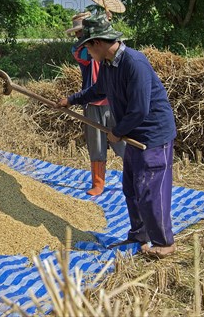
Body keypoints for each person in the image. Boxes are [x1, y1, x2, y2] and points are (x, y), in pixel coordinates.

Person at [57, 14, 177, 258]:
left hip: (152, 135)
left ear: (97, 43)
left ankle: (164, 242)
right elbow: (98, 90)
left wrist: (117, 132)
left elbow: (140, 109)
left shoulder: (135, 63)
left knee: (150, 190)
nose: (88, 54)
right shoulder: (110, 65)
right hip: (133, 133)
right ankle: (138, 236)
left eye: (87, 47)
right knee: (132, 189)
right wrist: (71, 100)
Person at [65, 11, 125, 196]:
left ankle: (137, 175)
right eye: (77, 33)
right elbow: (86, 53)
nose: (79, 35)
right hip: (93, 103)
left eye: (82, 31)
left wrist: (106, 29)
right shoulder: (81, 50)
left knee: (122, 142)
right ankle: (98, 183)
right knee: (96, 144)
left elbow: (116, 47)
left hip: (114, 101)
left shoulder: (106, 46)